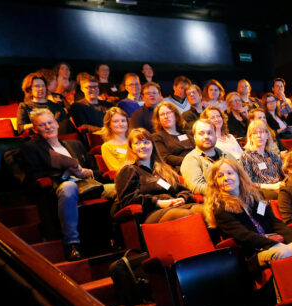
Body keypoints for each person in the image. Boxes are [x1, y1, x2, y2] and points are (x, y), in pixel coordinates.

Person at [20, 109, 107, 261]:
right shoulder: (31, 147)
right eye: (42, 125)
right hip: (60, 186)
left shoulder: (75, 144)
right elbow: (34, 176)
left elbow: (97, 170)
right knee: (69, 186)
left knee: (115, 188)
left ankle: (113, 236)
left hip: (88, 184)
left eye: (50, 122)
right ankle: (72, 244)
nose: (48, 127)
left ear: (56, 123)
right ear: (35, 129)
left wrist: (87, 172)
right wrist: (66, 172)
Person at [205, 158, 292, 265]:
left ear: (239, 176)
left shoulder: (254, 198)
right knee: (285, 252)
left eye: (230, 173)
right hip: (254, 252)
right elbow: (244, 236)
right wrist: (277, 244)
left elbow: (272, 221)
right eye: (220, 176)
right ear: (215, 182)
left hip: (275, 241)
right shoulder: (220, 208)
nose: (226, 178)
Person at [113, 128, 202, 223]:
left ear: (152, 145)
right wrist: (158, 202)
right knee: (188, 216)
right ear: (131, 147)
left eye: (146, 142)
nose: (143, 146)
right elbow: (127, 199)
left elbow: (184, 190)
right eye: (137, 143)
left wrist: (182, 198)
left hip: (176, 206)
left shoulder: (164, 169)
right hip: (150, 212)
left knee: (207, 212)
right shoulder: (128, 169)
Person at [180, 118, 234, 195]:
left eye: (210, 133)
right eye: (201, 133)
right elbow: (196, 187)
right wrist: (225, 190)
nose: (206, 136)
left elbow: (242, 177)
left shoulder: (227, 155)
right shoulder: (191, 159)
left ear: (215, 135)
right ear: (194, 137)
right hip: (214, 201)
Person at [239, 119, 286, 199]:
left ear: (267, 135)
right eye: (254, 133)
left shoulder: (272, 155)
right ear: (250, 137)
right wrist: (272, 186)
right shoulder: (246, 156)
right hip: (260, 192)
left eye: (261, 132)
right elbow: (248, 183)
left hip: (278, 188)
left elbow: (285, 173)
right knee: (284, 195)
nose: (258, 135)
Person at [150, 101, 194, 170]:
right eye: (162, 114)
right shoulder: (157, 137)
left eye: (168, 113)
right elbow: (166, 157)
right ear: (158, 120)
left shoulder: (187, 133)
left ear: (175, 115)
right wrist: (189, 161)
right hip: (180, 168)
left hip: (198, 163)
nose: (166, 116)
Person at [97, 107, 131, 172]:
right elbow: (116, 170)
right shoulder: (107, 147)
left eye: (123, 120)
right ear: (109, 125)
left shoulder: (134, 141)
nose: (120, 124)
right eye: (116, 121)